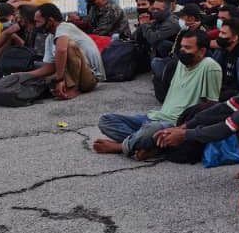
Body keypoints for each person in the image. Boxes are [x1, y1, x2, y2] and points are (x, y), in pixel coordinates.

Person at [93, 30, 222, 158]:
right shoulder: (181, 63)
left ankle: (121, 147)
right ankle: (147, 144)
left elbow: (211, 106)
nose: (182, 50)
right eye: (181, 46)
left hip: (173, 124)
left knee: (150, 130)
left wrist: (184, 129)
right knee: (106, 120)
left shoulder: (210, 66)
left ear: (202, 51)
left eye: (187, 48)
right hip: (155, 117)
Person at [25, 3, 105, 99]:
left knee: (69, 46)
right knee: (41, 81)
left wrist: (59, 80)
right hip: (75, 77)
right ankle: (64, 86)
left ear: (50, 21)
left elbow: (62, 50)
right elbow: (50, 67)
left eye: (38, 22)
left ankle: (73, 88)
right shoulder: (50, 38)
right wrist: (26, 75)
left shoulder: (65, 27)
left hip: (90, 78)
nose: (36, 25)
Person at [0, 4, 44, 78]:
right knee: (8, 36)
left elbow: (33, 51)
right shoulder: (21, 24)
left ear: (25, 17)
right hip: (27, 53)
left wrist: (14, 37)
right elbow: (5, 33)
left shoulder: (38, 29)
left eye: (18, 14)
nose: (16, 16)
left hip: (37, 59)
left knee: (11, 37)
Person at [151, 3, 206, 79]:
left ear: (191, 18)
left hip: (190, 61)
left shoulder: (202, 31)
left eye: (183, 17)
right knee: (156, 61)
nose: (180, 19)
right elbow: (175, 48)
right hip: (178, 58)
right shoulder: (184, 30)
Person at [212, 17, 239, 101]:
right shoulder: (224, 49)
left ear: (235, 38)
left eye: (223, 33)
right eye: (220, 32)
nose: (220, 36)